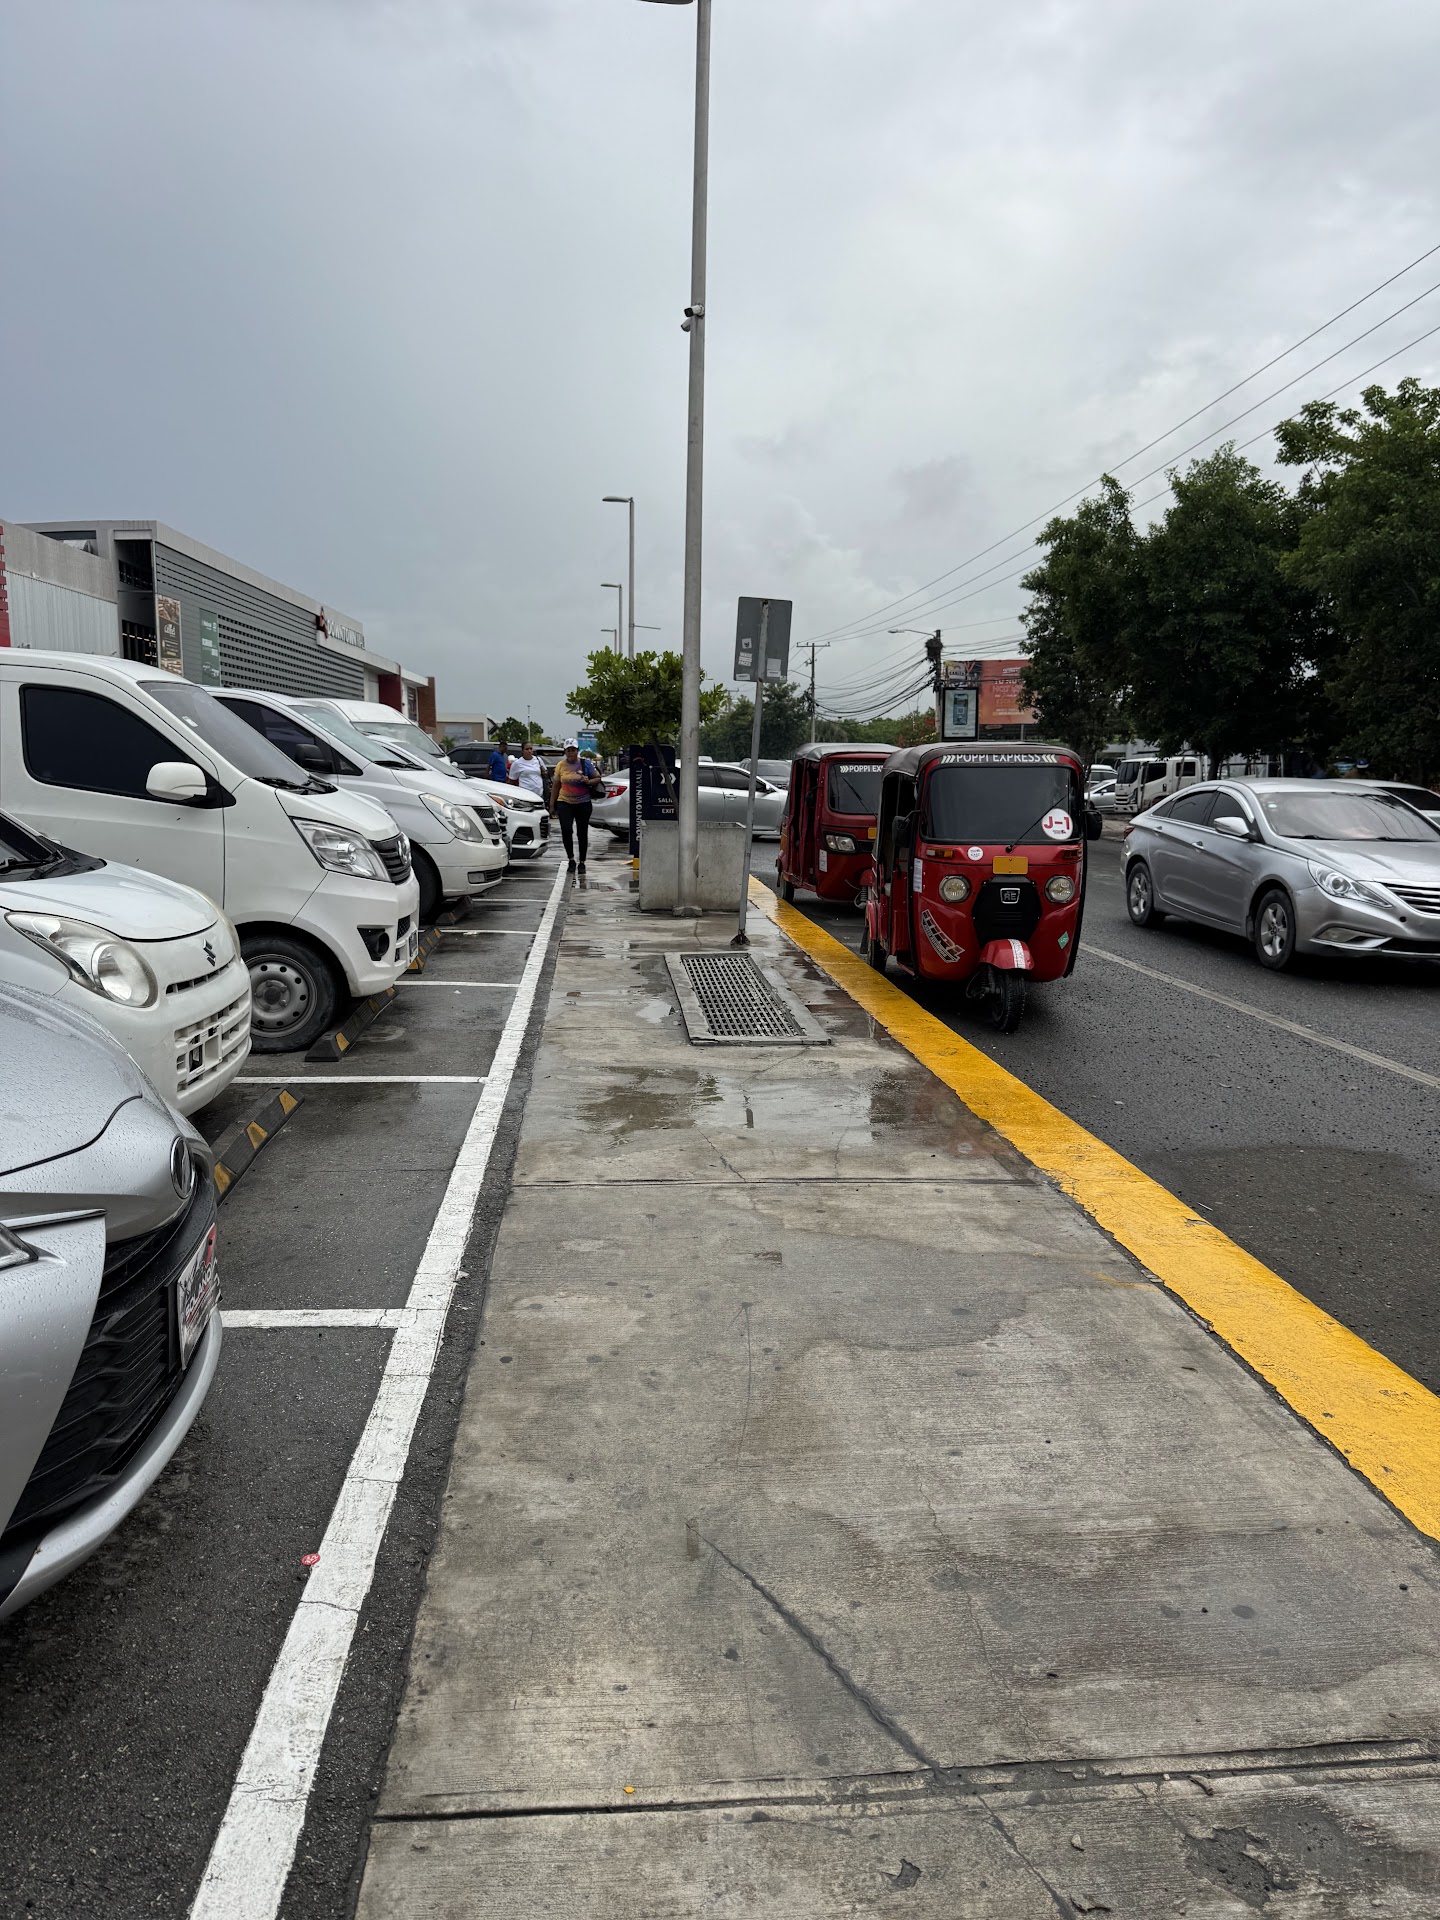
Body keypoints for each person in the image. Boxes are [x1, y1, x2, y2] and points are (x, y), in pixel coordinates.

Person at [550, 739, 601, 872]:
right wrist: (551, 805)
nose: (571, 753)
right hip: (564, 802)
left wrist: (589, 781)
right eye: (568, 750)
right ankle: (571, 859)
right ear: (565, 752)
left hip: (583, 803)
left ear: (577, 751)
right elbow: (555, 786)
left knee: (582, 833)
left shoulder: (585, 763)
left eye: (573, 750)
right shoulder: (561, 765)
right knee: (566, 830)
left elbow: (597, 778)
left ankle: (582, 862)